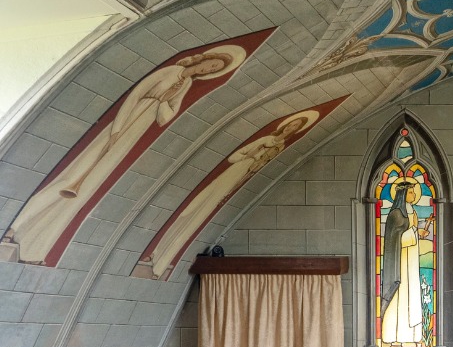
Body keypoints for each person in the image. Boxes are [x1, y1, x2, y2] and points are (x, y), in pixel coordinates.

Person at [4, 47, 243, 264]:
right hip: (125, 123)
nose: (208, 69)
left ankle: (35, 247)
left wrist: (161, 105)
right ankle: (14, 226)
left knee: (88, 188)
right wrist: (118, 127)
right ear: (205, 59)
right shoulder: (171, 71)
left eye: (214, 70)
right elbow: (135, 95)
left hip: (137, 130)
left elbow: (167, 116)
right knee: (73, 176)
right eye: (211, 64)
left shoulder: (186, 85)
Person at [140, 110, 317, 279]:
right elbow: (233, 158)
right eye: (290, 124)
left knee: (199, 219)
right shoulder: (266, 139)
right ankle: (155, 253)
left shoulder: (280, 147)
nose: (290, 128)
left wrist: (242, 179)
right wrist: (251, 157)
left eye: (295, 127)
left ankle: (162, 264)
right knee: (190, 211)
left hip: (239, 179)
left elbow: (255, 171)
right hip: (231, 174)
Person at [380, 182, 426, 346]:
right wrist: (415, 232)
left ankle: (411, 337)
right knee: (399, 297)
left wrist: (417, 232)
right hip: (399, 264)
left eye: (414, 192)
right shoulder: (396, 214)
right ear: (403, 194)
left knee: (411, 296)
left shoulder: (411, 211)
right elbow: (394, 239)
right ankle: (392, 335)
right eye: (411, 192)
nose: (414, 195)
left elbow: (409, 234)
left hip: (411, 262)